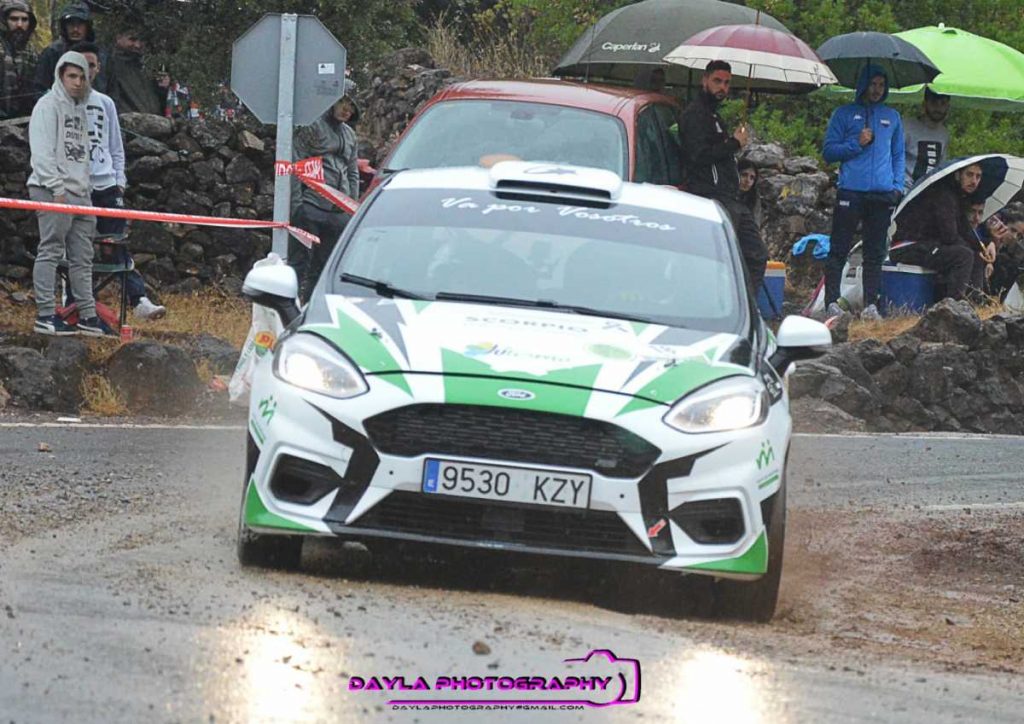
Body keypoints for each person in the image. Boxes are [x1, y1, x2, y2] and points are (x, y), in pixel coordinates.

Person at [71, 41, 165, 321]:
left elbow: (115, 146)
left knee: (116, 243)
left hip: (106, 185)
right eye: (80, 65)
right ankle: (74, 301)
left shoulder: (106, 103)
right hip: (75, 186)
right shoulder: (59, 102)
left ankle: (139, 300)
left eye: (91, 65)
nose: (86, 70)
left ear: (98, 68)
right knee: (75, 246)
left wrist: (119, 180)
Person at [28, 51, 109, 336]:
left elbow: (83, 155)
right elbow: (42, 152)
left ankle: (88, 316)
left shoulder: (81, 110)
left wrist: (85, 189)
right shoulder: (47, 105)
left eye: (82, 77)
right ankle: (45, 314)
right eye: (71, 76)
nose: (77, 82)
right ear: (60, 76)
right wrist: (57, 188)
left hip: (81, 191)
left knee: (83, 257)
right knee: (50, 249)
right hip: (51, 188)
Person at [822, 64, 905, 320]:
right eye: (873, 84)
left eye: (881, 85)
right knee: (839, 248)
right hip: (850, 192)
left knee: (875, 252)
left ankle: (871, 304)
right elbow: (829, 152)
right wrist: (856, 143)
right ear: (863, 85)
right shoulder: (843, 114)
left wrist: (897, 186)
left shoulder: (892, 117)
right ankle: (831, 302)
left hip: (881, 194)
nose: (877, 90)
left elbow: (898, 155)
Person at [678, 60, 768, 293]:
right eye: (717, 81)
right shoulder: (695, 115)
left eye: (727, 83)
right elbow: (698, 155)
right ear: (704, 80)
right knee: (727, 258)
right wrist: (733, 144)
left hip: (729, 196)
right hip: (711, 197)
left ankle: (744, 305)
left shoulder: (714, 115)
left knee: (754, 255)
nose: (722, 88)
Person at [290, 85, 361, 301]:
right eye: (343, 102)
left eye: (352, 105)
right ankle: (289, 310)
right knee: (299, 265)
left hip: (338, 213)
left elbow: (353, 173)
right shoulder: (312, 126)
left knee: (326, 269)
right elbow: (295, 165)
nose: (347, 109)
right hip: (311, 206)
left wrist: (351, 208)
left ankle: (312, 309)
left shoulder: (350, 135)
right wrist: (297, 206)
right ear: (331, 102)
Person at [890, 163, 986, 301]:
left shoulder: (957, 196)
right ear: (958, 175)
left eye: (978, 176)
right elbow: (950, 236)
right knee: (963, 256)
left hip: (927, 245)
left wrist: (983, 248)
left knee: (976, 255)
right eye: (969, 174)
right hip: (907, 246)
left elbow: (965, 230)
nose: (974, 181)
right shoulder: (943, 194)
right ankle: (953, 306)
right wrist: (971, 247)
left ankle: (976, 303)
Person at [34, 1, 100, 96]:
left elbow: (111, 89)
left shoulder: (99, 54)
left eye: (80, 24)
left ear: (87, 26)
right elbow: (40, 89)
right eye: (71, 24)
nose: (75, 29)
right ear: (64, 26)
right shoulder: (52, 52)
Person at [104, 28, 161, 115]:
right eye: (132, 40)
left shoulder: (148, 65)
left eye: (142, 40)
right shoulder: (109, 63)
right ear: (118, 38)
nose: (137, 45)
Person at [904, 87, 951, 188]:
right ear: (924, 104)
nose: (938, 108)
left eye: (943, 103)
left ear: (948, 106)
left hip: (928, 191)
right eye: (934, 102)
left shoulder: (944, 134)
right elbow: (893, 158)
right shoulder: (906, 127)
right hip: (904, 189)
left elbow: (941, 166)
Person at [0, 0, 38, 119]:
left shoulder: (31, 52)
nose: (19, 24)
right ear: (4, 21)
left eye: (24, 19)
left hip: (23, 119)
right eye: (14, 19)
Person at [737, 159, 763, 229]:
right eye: (744, 175)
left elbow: (755, 225)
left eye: (752, 178)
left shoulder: (754, 199)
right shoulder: (724, 194)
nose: (748, 180)